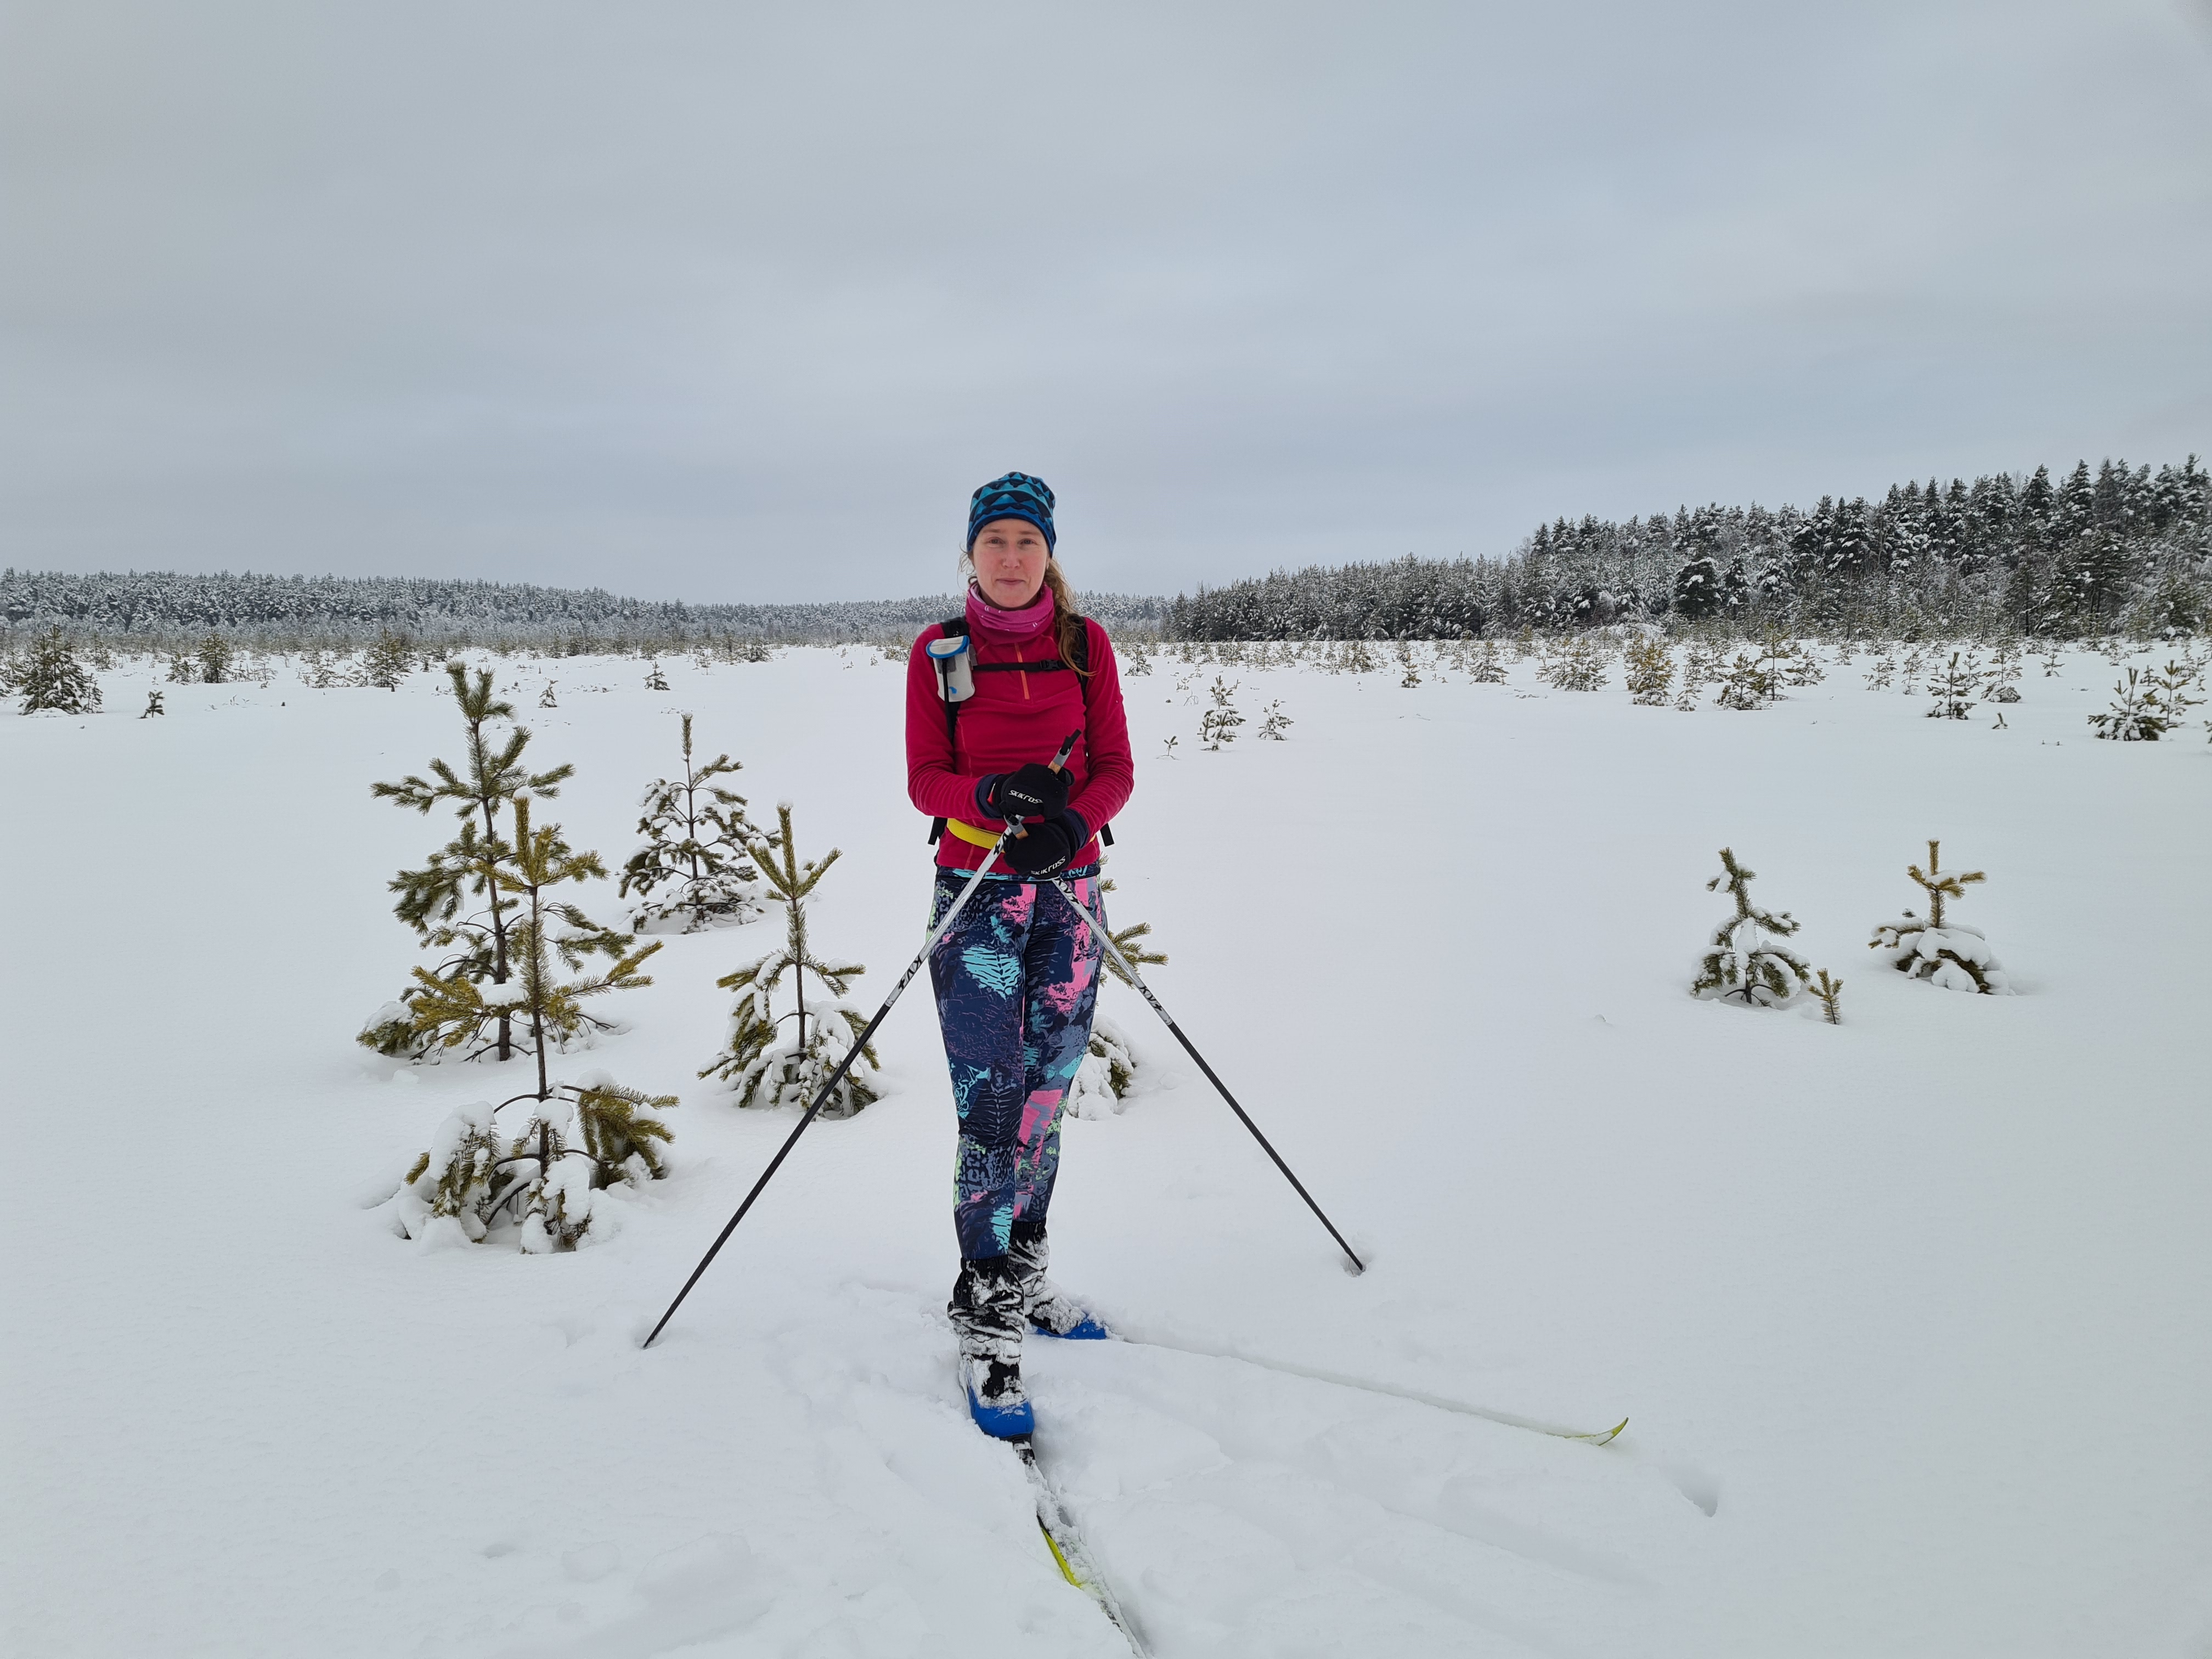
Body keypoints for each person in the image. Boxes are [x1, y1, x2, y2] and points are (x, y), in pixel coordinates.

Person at [905, 472, 1135, 1437]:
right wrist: (992, 800)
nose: (1010, 557)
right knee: (991, 1106)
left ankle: (1027, 1272)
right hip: (976, 899)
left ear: (1049, 553)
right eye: (994, 541)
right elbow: (926, 779)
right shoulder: (941, 650)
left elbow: (1115, 768)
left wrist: (1072, 824)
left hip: (1068, 897)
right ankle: (986, 1309)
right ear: (971, 552)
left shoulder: (1086, 646)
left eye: (1026, 542)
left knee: (1046, 1095)